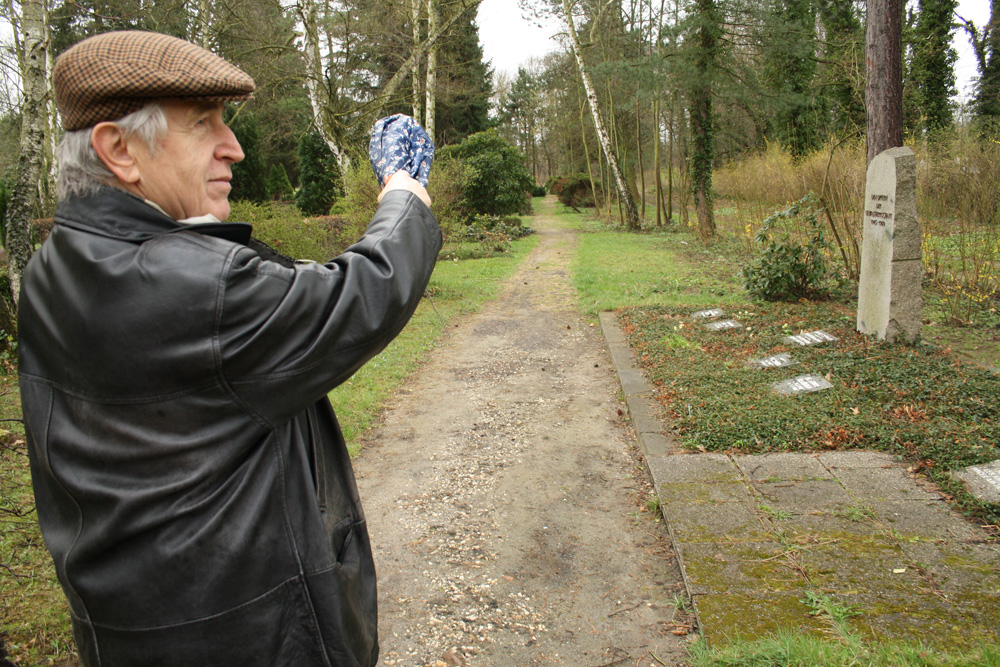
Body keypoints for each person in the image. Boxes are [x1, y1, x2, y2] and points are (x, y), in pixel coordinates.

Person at [18, 30, 440, 667]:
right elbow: (361, 295)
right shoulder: (194, 290)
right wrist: (403, 193)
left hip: (125, 632)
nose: (234, 148)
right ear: (118, 149)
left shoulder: (55, 268)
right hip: (248, 636)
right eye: (202, 123)